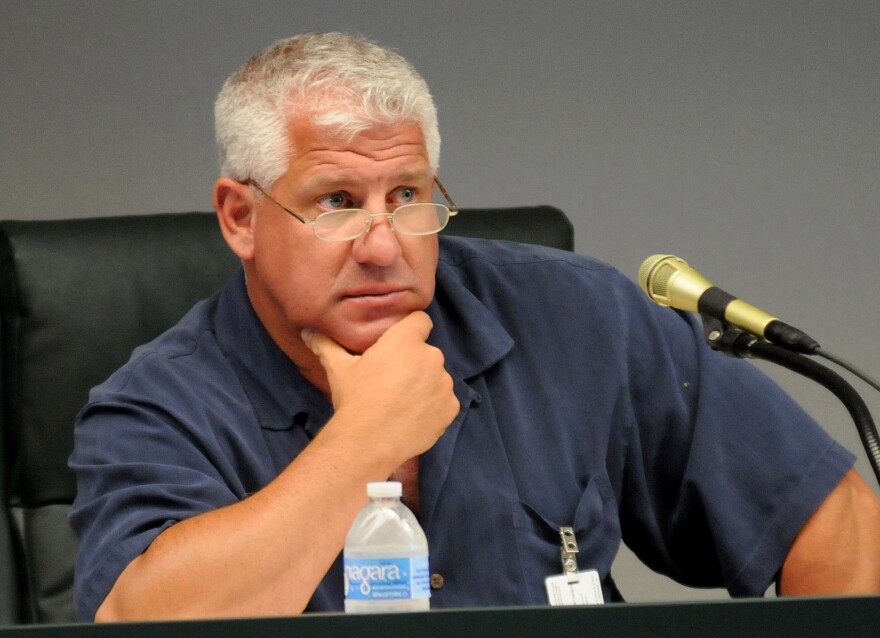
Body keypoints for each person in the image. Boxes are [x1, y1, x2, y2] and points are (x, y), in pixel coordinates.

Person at [69, 32, 880, 622]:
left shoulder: (578, 318)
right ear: (240, 218)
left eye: (410, 197)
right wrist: (366, 440)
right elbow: (149, 621)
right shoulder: (154, 406)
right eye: (337, 203)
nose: (385, 245)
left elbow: (836, 521)